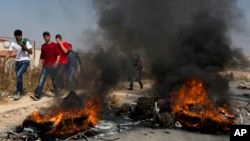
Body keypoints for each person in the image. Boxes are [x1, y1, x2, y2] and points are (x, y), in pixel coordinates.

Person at [0, 29, 33, 100]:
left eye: (20, 35)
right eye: (17, 36)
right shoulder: (13, 43)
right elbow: (8, 54)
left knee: (18, 75)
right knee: (19, 77)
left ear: (22, 35)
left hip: (25, 61)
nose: (19, 37)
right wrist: (3, 62)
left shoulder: (25, 41)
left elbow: (31, 52)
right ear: (15, 36)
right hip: (17, 62)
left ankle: (18, 92)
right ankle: (20, 91)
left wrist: (24, 47)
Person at [30, 31, 60, 101]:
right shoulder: (43, 46)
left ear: (49, 36)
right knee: (41, 80)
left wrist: (56, 63)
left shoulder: (54, 45)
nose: (46, 37)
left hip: (53, 66)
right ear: (43, 37)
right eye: (45, 36)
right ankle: (38, 95)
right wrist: (39, 65)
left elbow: (58, 55)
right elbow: (41, 57)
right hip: (45, 66)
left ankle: (57, 93)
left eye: (47, 36)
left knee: (55, 80)